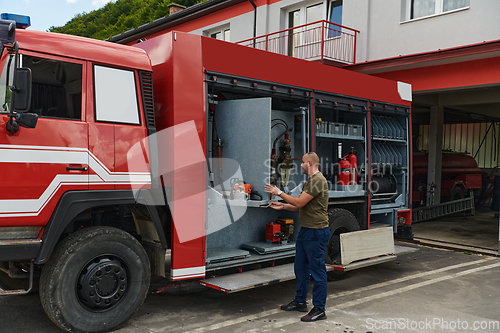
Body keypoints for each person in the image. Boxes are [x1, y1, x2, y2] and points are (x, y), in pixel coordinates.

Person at [264, 152, 330, 322]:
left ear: (309, 163)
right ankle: (300, 302)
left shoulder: (317, 181)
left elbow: (300, 203)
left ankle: (319, 309)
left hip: (316, 231)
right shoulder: (310, 180)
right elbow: (301, 206)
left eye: (302, 163)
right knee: (300, 267)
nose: (300, 165)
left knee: (317, 270)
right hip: (306, 231)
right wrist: (283, 206)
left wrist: (279, 192)